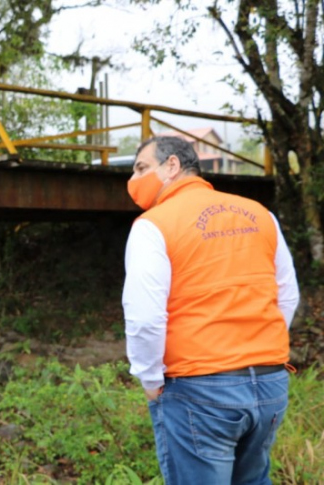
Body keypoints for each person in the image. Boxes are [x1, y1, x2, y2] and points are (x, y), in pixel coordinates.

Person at [122, 136, 299, 484]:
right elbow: (287, 296)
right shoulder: (261, 215)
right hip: (270, 386)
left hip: (200, 389)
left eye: (141, 168)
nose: (133, 180)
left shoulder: (153, 226)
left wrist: (151, 378)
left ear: (172, 165)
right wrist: (263, 352)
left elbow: (145, 316)